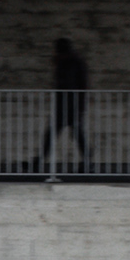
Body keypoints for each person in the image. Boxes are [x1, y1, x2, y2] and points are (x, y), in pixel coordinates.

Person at [40, 36, 92, 168]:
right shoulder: (73, 61)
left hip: (69, 104)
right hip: (69, 103)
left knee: (56, 132)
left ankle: (40, 159)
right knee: (72, 132)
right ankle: (87, 159)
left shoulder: (69, 62)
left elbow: (68, 83)